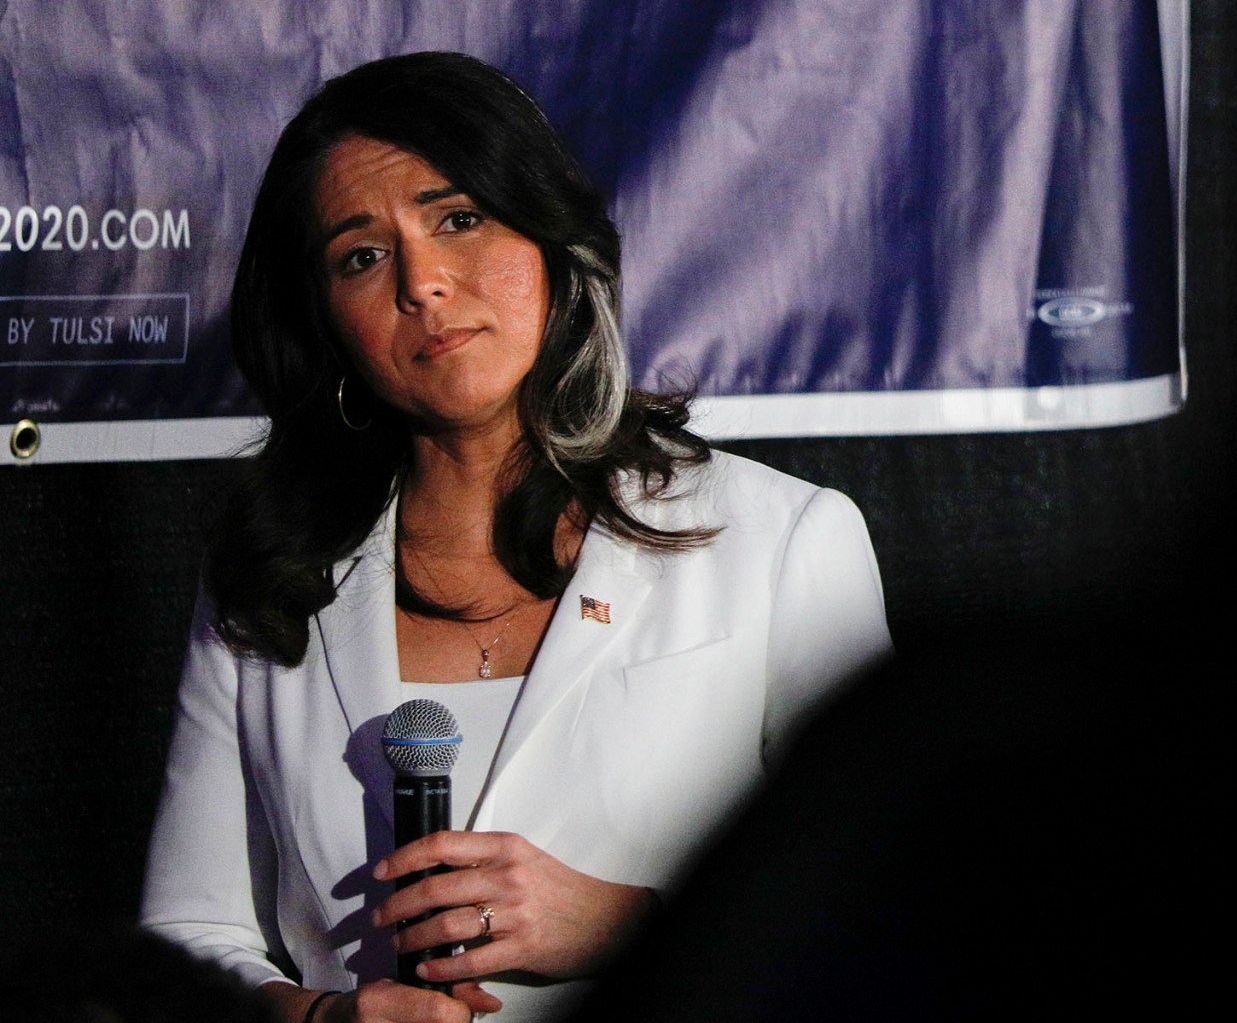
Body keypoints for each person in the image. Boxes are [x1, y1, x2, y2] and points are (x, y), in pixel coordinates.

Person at [141, 52, 893, 1023]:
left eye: (459, 219)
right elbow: (183, 946)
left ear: (548, 239)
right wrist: (326, 1019)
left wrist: (628, 922)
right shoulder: (268, 575)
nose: (424, 283)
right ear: (326, 319)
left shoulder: (782, 541)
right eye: (361, 256)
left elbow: (887, 924)